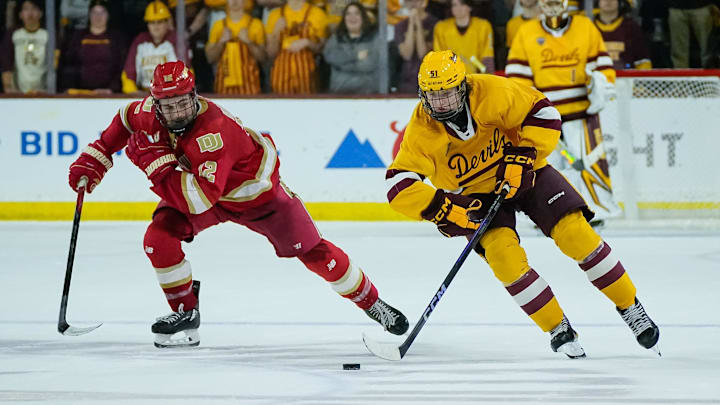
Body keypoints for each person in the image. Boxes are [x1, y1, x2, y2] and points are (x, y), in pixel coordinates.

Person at [67, 61, 409, 348]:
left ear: (194, 95)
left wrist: (153, 162)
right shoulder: (151, 111)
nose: (175, 111)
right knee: (158, 240)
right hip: (201, 189)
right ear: (156, 103)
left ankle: (372, 303)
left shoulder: (213, 133)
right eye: (167, 105)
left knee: (315, 252)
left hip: (257, 197)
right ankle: (187, 315)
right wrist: (93, 160)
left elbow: (199, 200)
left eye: (182, 102)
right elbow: (124, 121)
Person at [386, 50, 660, 357]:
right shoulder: (423, 128)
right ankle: (558, 328)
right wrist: (446, 209)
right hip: (475, 193)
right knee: (503, 259)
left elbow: (544, 113)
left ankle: (630, 307)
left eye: (447, 94)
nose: (441, 103)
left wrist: (523, 155)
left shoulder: (492, 91)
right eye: (433, 96)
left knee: (576, 235)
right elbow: (397, 186)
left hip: (526, 172)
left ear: (462, 86)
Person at [506, 0, 620, 225]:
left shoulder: (585, 27)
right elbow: (518, 79)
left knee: (589, 162)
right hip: (545, 118)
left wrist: (600, 86)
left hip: (581, 114)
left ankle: (594, 210)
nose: (552, 4)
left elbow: (604, 68)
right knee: (547, 169)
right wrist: (528, 111)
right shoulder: (526, 32)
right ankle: (548, 215)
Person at [122, 1, 191, 95]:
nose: (156, 26)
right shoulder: (140, 41)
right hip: (144, 93)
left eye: (160, 22)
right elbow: (128, 73)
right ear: (147, 25)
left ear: (168, 22)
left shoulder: (176, 40)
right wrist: (132, 91)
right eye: (152, 22)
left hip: (171, 95)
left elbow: (187, 71)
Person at [59, 0, 127, 94]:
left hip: (108, 95)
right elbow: (68, 64)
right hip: (80, 94)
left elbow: (121, 67)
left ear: (108, 15)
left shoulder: (117, 38)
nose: (98, 16)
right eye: (94, 12)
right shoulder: (77, 37)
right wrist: (69, 88)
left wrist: (112, 89)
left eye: (102, 12)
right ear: (89, 15)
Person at [265, 0, 328, 94]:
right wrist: (276, 32)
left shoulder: (318, 13)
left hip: (307, 76)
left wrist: (307, 42)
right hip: (281, 77)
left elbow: (323, 50)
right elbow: (271, 54)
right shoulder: (275, 15)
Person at [206, 0, 266, 94]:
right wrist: (221, 42)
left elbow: (263, 58)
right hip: (223, 88)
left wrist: (249, 42)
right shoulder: (218, 26)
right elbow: (210, 58)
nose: (235, 1)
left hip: (251, 88)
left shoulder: (256, 24)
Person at [322, 2, 379, 94]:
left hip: (367, 94)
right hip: (339, 93)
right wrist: (356, 56)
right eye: (348, 14)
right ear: (344, 18)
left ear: (363, 17)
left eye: (357, 13)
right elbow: (330, 57)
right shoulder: (336, 37)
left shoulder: (374, 37)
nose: (352, 17)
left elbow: (368, 64)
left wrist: (341, 64)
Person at [433, 0, 495, 74]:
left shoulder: (483, 27)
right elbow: (438, 58)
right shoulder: (441, 28)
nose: (458, 8)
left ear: (470, 6)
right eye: (454, 5)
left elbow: (487, 56)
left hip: (475, 79)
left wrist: (488, 78)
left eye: (462, 4)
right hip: (450, 79)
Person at [0, 0, 47, 94]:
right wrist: (8, 87)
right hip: (17, 93)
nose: (30, 13)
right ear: (20, 14)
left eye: (34, 9)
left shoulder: (48, 35)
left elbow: (54, 65)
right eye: (26, 9)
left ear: (41, 13)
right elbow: (6, 62)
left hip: (43, 92)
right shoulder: (14, 35)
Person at [393, 0, 438, 94]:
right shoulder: (400, 26)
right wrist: (411, 24)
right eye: (409, 1)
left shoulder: (434, 24)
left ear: (424, 2)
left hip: (429, 78)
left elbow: (422, 53)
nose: (413, 4)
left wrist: (418, 23)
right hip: (407, 80)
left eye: (416, 1)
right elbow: (407, 54)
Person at [594, 0, 651, 70]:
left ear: (620, 2)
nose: (608, 1)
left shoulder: (632, 27)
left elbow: (642, 61)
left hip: (627, 79)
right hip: (596, 79)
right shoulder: (589, 28)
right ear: (597, 2)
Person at [668, 0, 715, 68]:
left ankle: (711, 75)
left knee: (708, 48)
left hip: (702, 6)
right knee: (678, 51)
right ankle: (680, 76)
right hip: (676, 7)